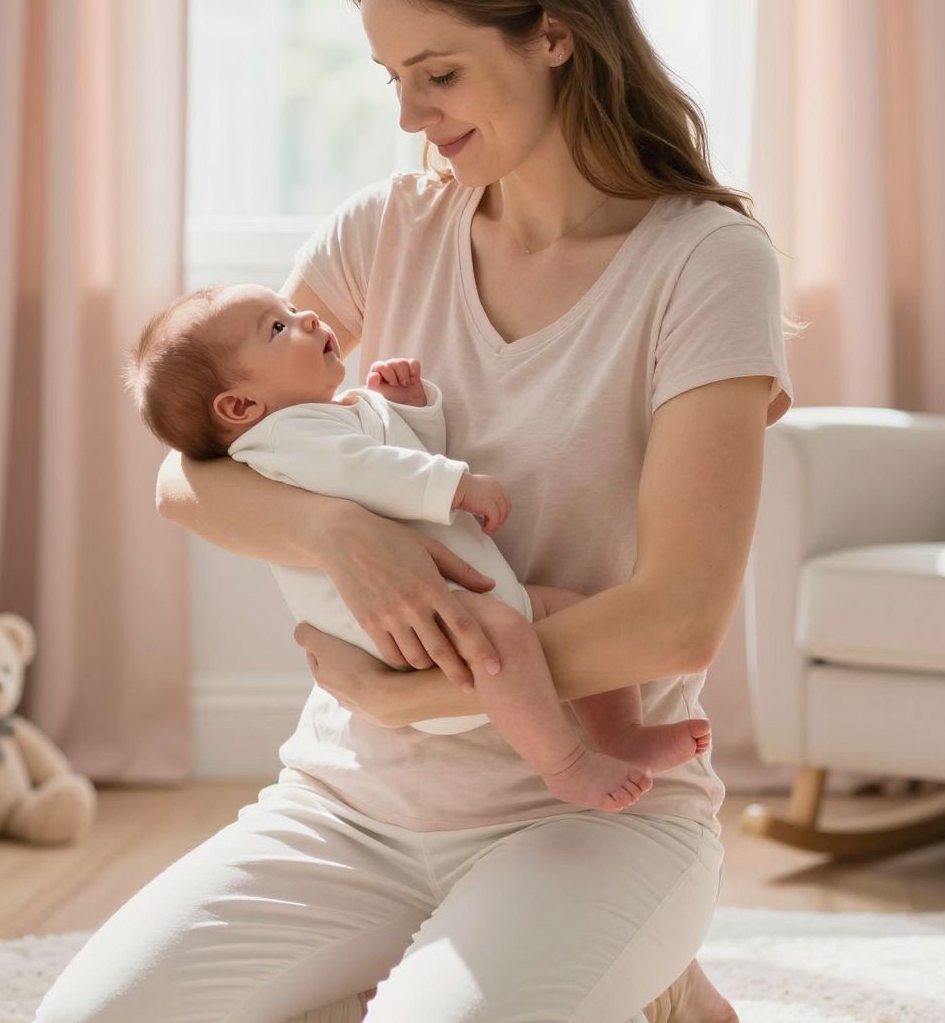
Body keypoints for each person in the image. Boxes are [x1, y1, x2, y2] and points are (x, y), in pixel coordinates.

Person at [28, 0, 794, 1023]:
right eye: (391, 80)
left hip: (593, 810)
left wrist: (422, 687)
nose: (409, 117)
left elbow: (679, 614)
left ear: (554, 32)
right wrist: (342, 537)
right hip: (359, 799)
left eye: (436, 74)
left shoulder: (705, 263)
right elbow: (191, 472)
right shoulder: (390, 232)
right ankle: (438, 985)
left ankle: (635, 995)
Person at [123, 282, 710, 810]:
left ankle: (622, 735)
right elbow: (367, 472)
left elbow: (397, 456)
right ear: (240, 407)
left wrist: (406, 407)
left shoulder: (333, 417)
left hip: (469, 595)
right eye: (278, 327)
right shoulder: (279, 441)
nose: (305, 318)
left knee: (578, 614)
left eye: (293, 308)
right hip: (410, 635)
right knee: (503, 640)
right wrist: (456, 485)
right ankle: (565, 764)